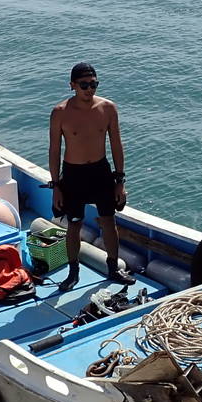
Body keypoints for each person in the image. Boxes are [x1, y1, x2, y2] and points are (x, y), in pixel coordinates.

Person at [49, 62, 135, 292]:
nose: (89, 89)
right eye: (84, 84)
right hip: (73, 175)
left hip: (101, 172)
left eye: (94, 84)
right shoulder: (60, 113)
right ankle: (73, 272)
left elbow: (116, 145)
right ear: (72, 86)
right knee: (74, 225)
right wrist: (56, 185)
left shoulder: (108, 108)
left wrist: (120, 181)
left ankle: (113, 268)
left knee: (108, 220)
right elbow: (54, 150)